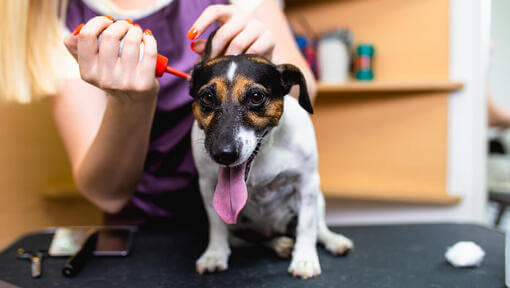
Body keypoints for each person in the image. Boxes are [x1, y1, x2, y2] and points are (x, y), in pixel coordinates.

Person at [1, 0, 316, 228]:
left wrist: (266, 69)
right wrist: (132, 103)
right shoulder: (58, 13)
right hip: (144, 236)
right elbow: (107, 195)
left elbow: (306, 93)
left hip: (255, 225)